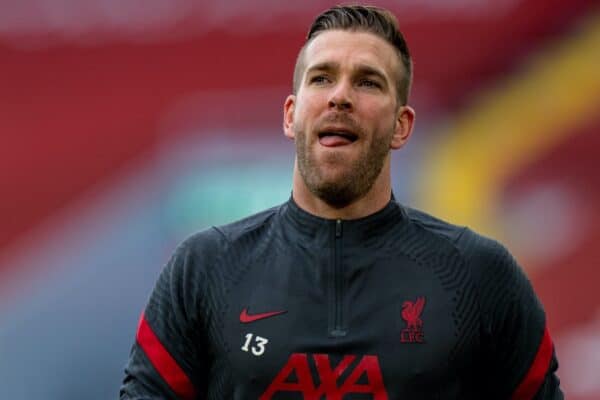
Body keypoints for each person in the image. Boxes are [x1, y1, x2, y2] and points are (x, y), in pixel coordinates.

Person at [120, 5, 563, 399]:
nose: (340, 96)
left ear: (401, 126)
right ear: (292, 115)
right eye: (322, 78)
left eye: (368, 82)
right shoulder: (205, 269)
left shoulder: (479, 275)